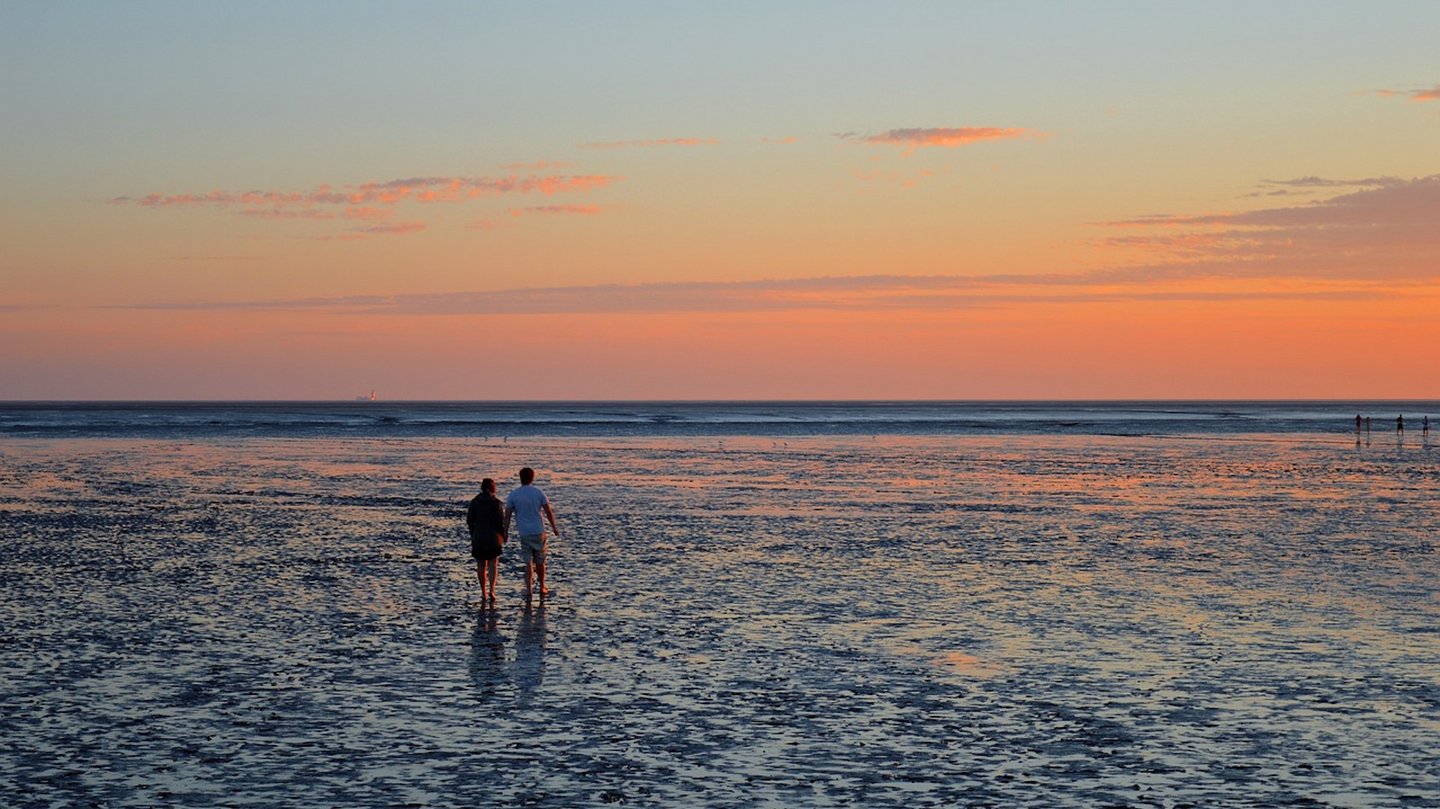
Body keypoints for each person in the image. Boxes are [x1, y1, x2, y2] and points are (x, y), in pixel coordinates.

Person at [505, 466, 560, 602]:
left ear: (520, 478)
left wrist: (505, 531)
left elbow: (507, 515)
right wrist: (554, 527)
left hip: (524, 532)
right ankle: (542, 586)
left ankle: (529, 589)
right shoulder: (538, 492)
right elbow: (548, 511)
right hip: (539, 531)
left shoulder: (514, 494)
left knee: (528, 562)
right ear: (532, 478)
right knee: (540, 561)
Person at [467, 478, 506, 604]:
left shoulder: (475, 502)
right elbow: (501, 522)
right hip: (493, 538)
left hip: (479, 536)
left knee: (481, 565)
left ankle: (483, 591)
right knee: (493, 564)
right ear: (492, 488)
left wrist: (473, 533)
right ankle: (492, 589)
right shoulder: (496, 503)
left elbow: (469, 520)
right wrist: (503, 535)